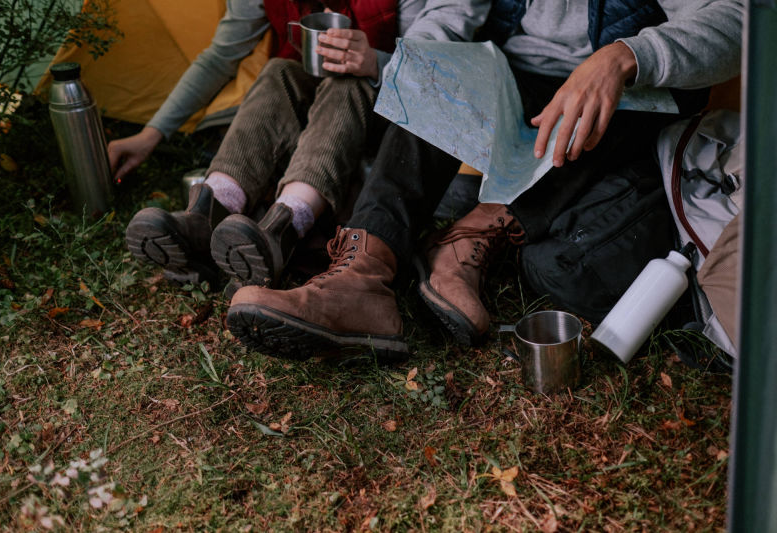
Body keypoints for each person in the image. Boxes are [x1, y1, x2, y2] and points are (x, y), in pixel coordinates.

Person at [224, 0, 744, 362]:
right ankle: (360, 278)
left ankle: (467, 239)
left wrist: (625, 56)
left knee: (630, 107)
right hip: (507, 76)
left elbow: (737, 18)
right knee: (430, 70)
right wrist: (419, 73)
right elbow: (446, 16)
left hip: (619, 91)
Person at [116, 0, 473, 287]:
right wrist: (151, 134)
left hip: (390, 118)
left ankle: (283, 228)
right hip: (311, 116)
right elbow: (220, 56)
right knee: (278, 71)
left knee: (348, 82)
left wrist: (375, 63)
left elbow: (434, 65)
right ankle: (209, 214)